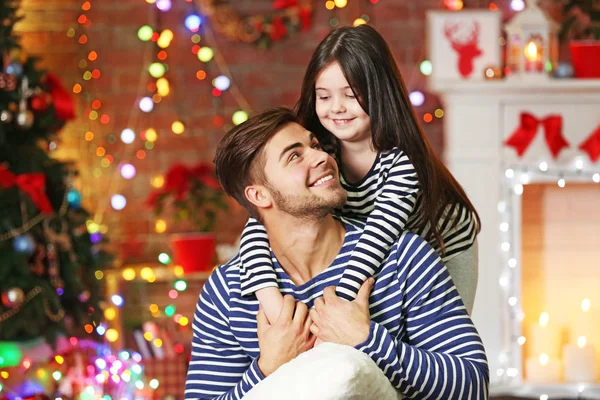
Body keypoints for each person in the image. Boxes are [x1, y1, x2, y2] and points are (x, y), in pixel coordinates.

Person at [184, 107, 489, 400]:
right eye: (295, 156)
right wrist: (267, 368)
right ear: (259, 195)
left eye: (315, 145)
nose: (322, 156)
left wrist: (368, 340)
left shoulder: (403, 258)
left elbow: (472, 386)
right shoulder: (226, 292)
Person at [239, 25, 481, 325]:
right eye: (324, 96)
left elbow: (372, 245)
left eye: (351, 95)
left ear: (380, 94)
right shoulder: (318, 155)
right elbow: (260, 224)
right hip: (382, 270)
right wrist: (272, 302)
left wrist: (331, 317)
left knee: (439, 338)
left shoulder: (401, 166)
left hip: (443, 246)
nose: (336, 108)